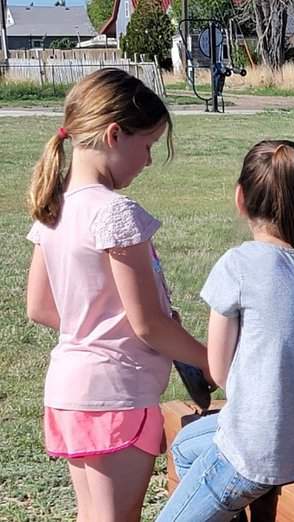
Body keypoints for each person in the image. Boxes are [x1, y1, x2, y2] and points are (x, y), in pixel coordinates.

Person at [24, 68, 210, 521]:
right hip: (117, 397)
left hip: (69, 393)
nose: (148, 162)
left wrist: (103, 321)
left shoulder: (56, 207)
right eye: (147, 146)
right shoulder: (117, 213)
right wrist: (214, 361)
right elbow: (150, 325)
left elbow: (41, 308)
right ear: (113, 134)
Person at [158, 141, 294, 520]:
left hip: (251, 455)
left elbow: (219, 373)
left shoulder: (238, 265)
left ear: (240, 197)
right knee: (185, 445)